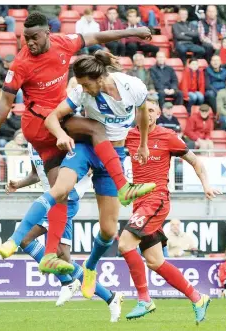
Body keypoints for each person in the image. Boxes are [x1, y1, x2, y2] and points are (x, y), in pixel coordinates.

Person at [0, 12, 154, 276]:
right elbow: (4, 104)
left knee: (60, 192)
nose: (29, 43)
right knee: (96, 127)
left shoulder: (64, 43)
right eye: (25, 38)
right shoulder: (20, 63)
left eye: (34, 37)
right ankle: (123, 186)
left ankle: (49, 255)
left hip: (55, 125)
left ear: (47, 33)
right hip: (42, 123)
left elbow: (97, 36)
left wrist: (132, 31)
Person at [41, 52, 156, 296]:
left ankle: (90, 267)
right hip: (87, 150)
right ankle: (47, 252)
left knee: (108, 230)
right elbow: (52, 117)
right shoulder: (82, 92)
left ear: (98, 77)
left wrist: (143, 144)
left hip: (115, 157)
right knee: (60, 189)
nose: (82, 88)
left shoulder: (131, 86)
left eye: (85, 83)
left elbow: (144, 113)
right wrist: (61, 135)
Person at [120, 96, 220, 323]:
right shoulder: (129, 136)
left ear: (158, 114)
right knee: (155, 261)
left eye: (153, 110)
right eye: (144, 111)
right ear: (137, 114)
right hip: (139, 204)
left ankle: (144, 299)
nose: (149, 114)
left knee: (125, 244)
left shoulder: (167, 136)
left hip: (156, 201)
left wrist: (206, 185)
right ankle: (198, 298)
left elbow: (196, 161)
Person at [2, 143, 123, 322]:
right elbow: (37, 174)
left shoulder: (61, 140)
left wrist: (88, 168)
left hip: (67, 199)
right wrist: (18, 184)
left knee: (27, 239)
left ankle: (68, 282)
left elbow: (85, 162)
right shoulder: (32, 143)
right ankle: (110, 297)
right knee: (62, 257)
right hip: (52, 201)